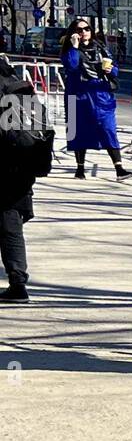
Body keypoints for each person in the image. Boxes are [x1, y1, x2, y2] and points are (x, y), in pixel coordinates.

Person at [60, 18, 132, 180]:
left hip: (100, 94)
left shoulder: (101, 48)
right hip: (77, 95)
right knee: (78, 130)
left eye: (87, 29)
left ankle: (119, 168)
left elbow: (115, 70)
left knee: (108, 128)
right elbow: (71, 66)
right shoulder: (70, 50)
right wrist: (74, 46)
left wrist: (110, 70)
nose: (84, 32)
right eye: (79, 30)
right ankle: (80, 168)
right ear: (73, 33)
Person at [0, 56, 45, 304]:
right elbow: (41, 120)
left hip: (5, 164)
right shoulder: (19, 83)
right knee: (11, 226)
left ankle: (18, 285)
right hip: (23, 166)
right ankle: (18, 284)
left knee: (9, 226)